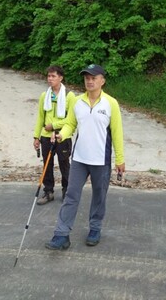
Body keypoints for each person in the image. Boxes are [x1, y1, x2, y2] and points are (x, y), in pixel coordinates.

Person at [45, 64, 125, 250]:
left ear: (102, 81)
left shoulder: (110, 103)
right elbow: (70, 124)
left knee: (99, 196)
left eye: (93, 77)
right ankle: (61, 234)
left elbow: (117, 132)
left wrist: (120, 159)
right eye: (86, 78)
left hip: (101, 160)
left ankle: (95, 229)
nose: (89, 81)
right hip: (79, 159)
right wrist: (61, 134)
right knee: (71, 195)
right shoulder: (78, 101)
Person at [33, 65, 75, 204]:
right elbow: (40, 117)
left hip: (63, 136)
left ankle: (66, 192)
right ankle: (48, 192)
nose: (50, 79)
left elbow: (71, 120)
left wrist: (55, 126)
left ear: (61, 78)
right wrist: (36, 137)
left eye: (53, 76)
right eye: (49, 76)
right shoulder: (45, 95)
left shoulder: (69, 95)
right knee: (47, 164)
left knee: (64, 164)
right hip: (46, 136)